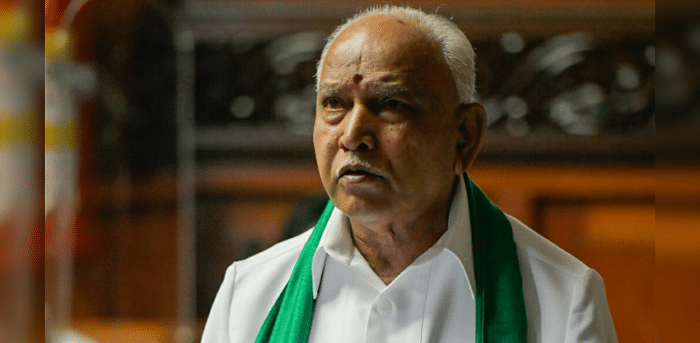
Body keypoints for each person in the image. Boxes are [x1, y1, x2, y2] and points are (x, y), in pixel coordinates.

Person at [201, 5, 617, 343]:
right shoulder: (250, 295)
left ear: (464, 135)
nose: (353, 135)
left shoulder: (562, 299)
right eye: (334, 103)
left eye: (391, 105)